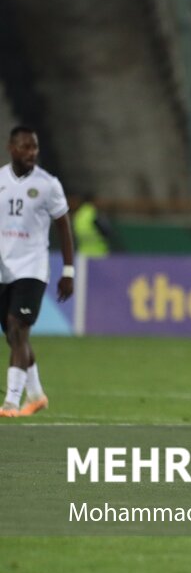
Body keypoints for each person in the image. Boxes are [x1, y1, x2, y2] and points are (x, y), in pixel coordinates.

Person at [0, 127, 74, 418]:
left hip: (33, 267)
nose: (32, 153)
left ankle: (11, 402)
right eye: (25, 147)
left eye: (35, 147)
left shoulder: (48, 185)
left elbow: (64, 226)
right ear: (11, 148)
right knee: (13, 336)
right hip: (3, 268)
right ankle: (37, 395)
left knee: (17, 328)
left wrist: (68, 270)